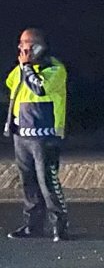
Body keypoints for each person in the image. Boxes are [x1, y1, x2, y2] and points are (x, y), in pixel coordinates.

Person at [5, 28, 69, 241]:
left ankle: (59, 226)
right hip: (21, 134)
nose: (23, 48)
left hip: (45, 135)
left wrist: (27, 68)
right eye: (21, 43)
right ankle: (32, 226)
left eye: (28, 44)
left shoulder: (55, 69)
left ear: (39, 46)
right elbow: (12, 86)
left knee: (47, 182)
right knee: (28, 183)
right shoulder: (21, 69)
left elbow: (40, 89)